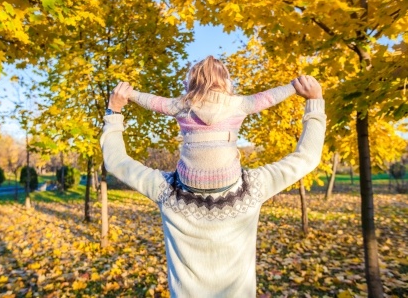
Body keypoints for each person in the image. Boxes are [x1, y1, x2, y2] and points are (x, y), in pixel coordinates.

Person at [100, 75, 326, 297]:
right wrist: (314, 102)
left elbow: (116, 161)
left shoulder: (166, 191)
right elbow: (307, 157)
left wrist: (114, 111)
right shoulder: (252, 189)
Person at [127, 56, 298, 192]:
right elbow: (268, 97)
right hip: (228, 179)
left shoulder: (182, 105)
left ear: (193, 82)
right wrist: (293, 87)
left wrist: (131, 93)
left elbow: (153, 102)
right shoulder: (238, 104)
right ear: (225, 81)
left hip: (189, 180)